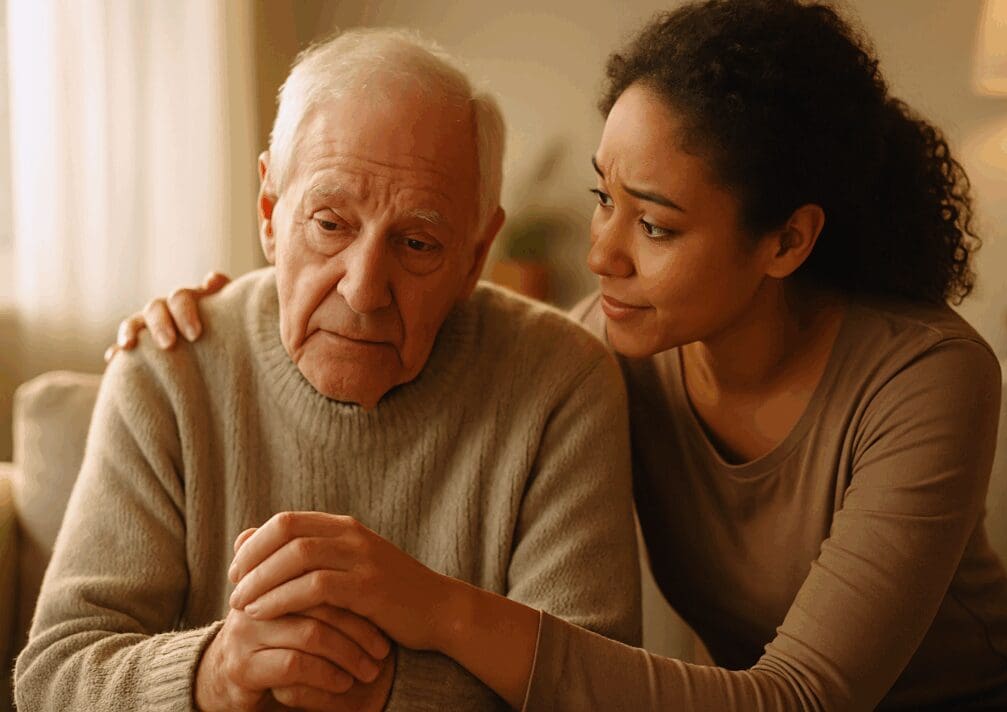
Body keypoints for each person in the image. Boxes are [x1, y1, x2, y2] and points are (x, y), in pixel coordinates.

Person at [110, 0, 1007, 709]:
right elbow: (407, 288)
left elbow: (802, 699)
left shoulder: (930, 375)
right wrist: (229, 305)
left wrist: (431, 607)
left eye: (653, 223)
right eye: (604, 197)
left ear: (786, 242)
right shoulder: (600, 350)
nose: (601, 251)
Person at [14, 28, 641, 712]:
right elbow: (54, 677)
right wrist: (218, 671)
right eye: (331, 224)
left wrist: (377, 688)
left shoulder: (561, 384)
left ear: (475, 254)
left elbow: (596, 691)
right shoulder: (169, 370)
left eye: (417, 243)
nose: (364, 289)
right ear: (269, 216)